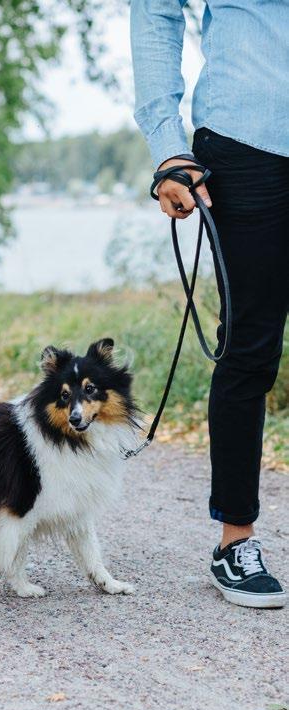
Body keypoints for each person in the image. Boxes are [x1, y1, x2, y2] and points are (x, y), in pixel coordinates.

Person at [130, 1, 287, 608]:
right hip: (247, 143)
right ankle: (236, 542)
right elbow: (156, 15)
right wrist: (168, 146)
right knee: (251, 345)